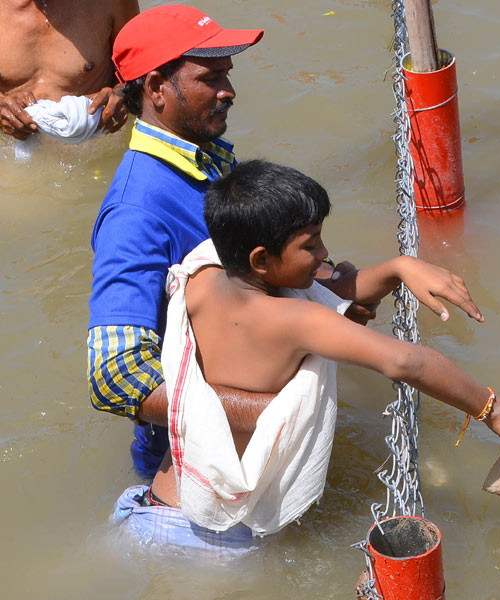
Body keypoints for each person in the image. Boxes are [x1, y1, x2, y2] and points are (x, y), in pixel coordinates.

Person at [85, 4, 459, 482]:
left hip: (252, 455)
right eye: (211, 77)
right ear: (158, 88)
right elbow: (113, 377)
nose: (230, 92)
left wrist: (357, 285)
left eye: (228, 74)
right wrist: (277, 414)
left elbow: (256, 278)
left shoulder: (208, 161)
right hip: (199, 472)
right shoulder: (135, 213)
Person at [141, 159, 500, 537]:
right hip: (219, 534)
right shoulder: (295, 321)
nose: (323, 255)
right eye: (311, 244)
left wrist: (398, 268)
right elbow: (405, 361)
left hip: (163, 501)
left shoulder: (203, 275)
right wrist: (495, 410)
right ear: (261, 258)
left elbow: (320, 291)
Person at [0, 0, 139, 140]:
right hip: (11, 147)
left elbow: (141, 70)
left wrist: (122, 94)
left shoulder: (111, 3)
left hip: (95, 143)